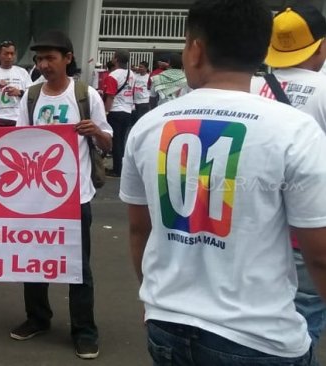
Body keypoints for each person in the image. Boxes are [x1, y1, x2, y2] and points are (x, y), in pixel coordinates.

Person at [120, 0, 326, 364]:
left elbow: (140, 229)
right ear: (263, 50)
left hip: (167, 324)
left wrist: (153, 299)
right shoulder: (295, 130)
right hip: (261, 338)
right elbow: (319, 254)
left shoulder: (149, 126)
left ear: (195, 50)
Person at [11, 30, 112, 360]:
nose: (44, 65)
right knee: (34, 263)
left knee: (78, 267)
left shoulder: (86, 95)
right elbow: (17, 141)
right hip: (37, 198)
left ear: (68, 58)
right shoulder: (31, 96)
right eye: (39, 59)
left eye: (50, 58)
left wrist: (95, 131)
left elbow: (108, 142)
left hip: (75, 198)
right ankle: (38, 318)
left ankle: (84, 330)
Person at [250, 4, 326, 350]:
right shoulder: (323, 90)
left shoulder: (247, 86)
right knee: (305, 315)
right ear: (321, 46)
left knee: (256, 319)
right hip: (307, 232)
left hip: (251, 231)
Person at [103, 50, 134, 177]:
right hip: (128, 110)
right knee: (122, 140)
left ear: (115, 59)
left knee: (115, 141)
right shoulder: (131, 73)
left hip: (115, 111)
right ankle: (121, 167)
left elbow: (110, 96)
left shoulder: (113, 76)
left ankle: (117, 170)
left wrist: (105, 112)